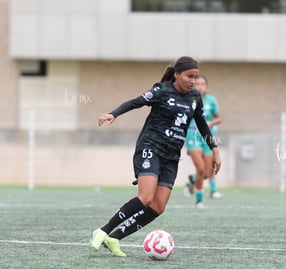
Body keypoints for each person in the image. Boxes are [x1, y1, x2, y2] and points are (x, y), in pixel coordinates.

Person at [89, 56, 221, 257]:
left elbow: (202, 123)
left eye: (195, 77)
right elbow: (136, 102)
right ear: (177, 75)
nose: (193, 81)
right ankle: (103, 230)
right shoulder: (162, 90)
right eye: (189, 76)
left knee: (158, 206)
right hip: (151, 147)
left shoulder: (195, 97)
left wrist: (215, 149)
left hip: (171, 156)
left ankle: (115, 238)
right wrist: (113, 114)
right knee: (146, 197)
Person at [184, 75, 222, 208]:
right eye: (197, 84)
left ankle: (191, 181)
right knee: (200, 169)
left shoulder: (211, 100)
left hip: (207, 137)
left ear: (206, 86)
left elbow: (219, 118)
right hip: (192, 135)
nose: (200, 86)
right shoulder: (188, 98)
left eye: (202, 84)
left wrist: (211, 122)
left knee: (206, 173)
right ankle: (199, 200)